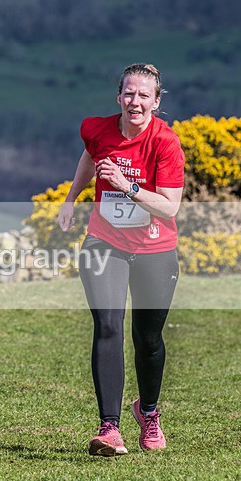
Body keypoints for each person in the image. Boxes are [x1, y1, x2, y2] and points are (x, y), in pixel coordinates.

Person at [57, 63, 185, 456]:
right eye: (129, 93)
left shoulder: (165, 142)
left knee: (148, 339)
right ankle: (109, 428)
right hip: (105, 242)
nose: (135, 101)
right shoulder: (97, 129)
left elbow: (169, 207)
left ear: (156, 102)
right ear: (118, 97)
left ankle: (148, 412)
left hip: (154, 249)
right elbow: (89, 157)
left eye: (144, 95)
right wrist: (72, 197)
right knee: (108, 325)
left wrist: (127, 186)